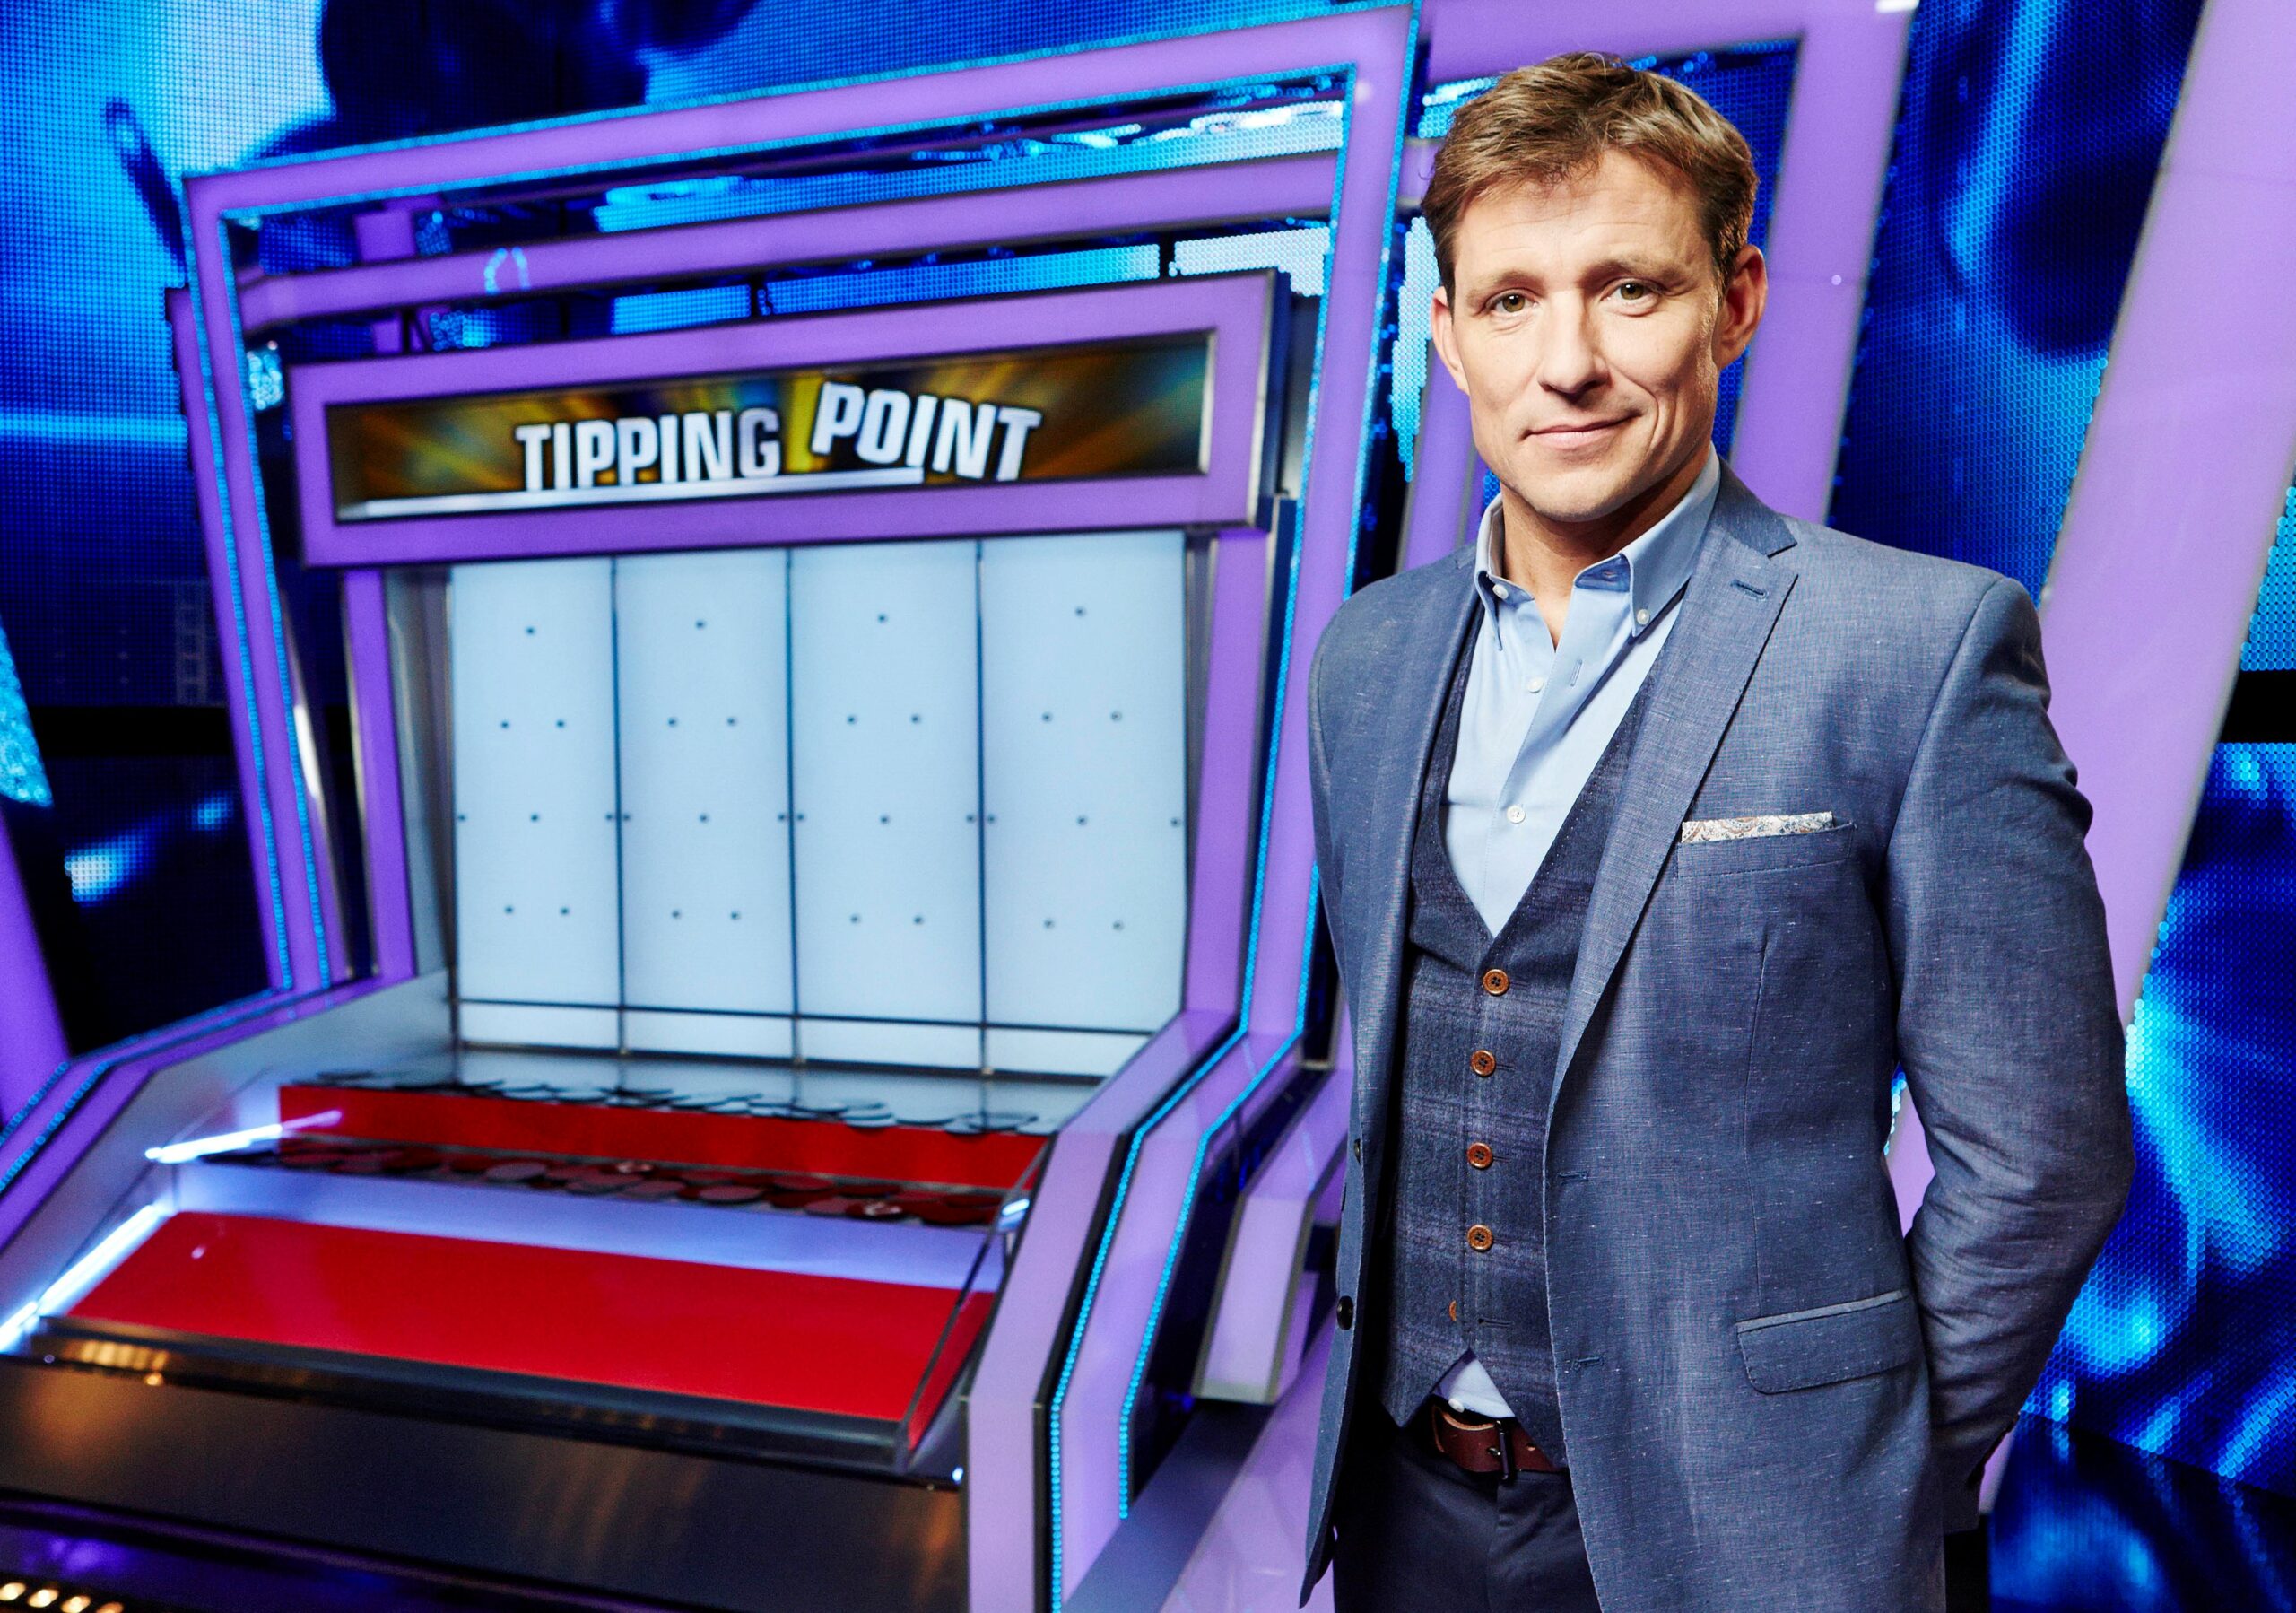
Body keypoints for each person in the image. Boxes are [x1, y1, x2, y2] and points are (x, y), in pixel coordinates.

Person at [1300, 51, 2131, 1612]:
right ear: (1445, 332)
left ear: (1735, 303)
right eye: (1509, 301)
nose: (1568, 364)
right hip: (1408, 1515)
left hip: (1763, 1545)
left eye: (1629, 290)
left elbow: (2044, 1160)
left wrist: (1863, 1474)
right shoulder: (1365, 659)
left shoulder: (1918, 645)